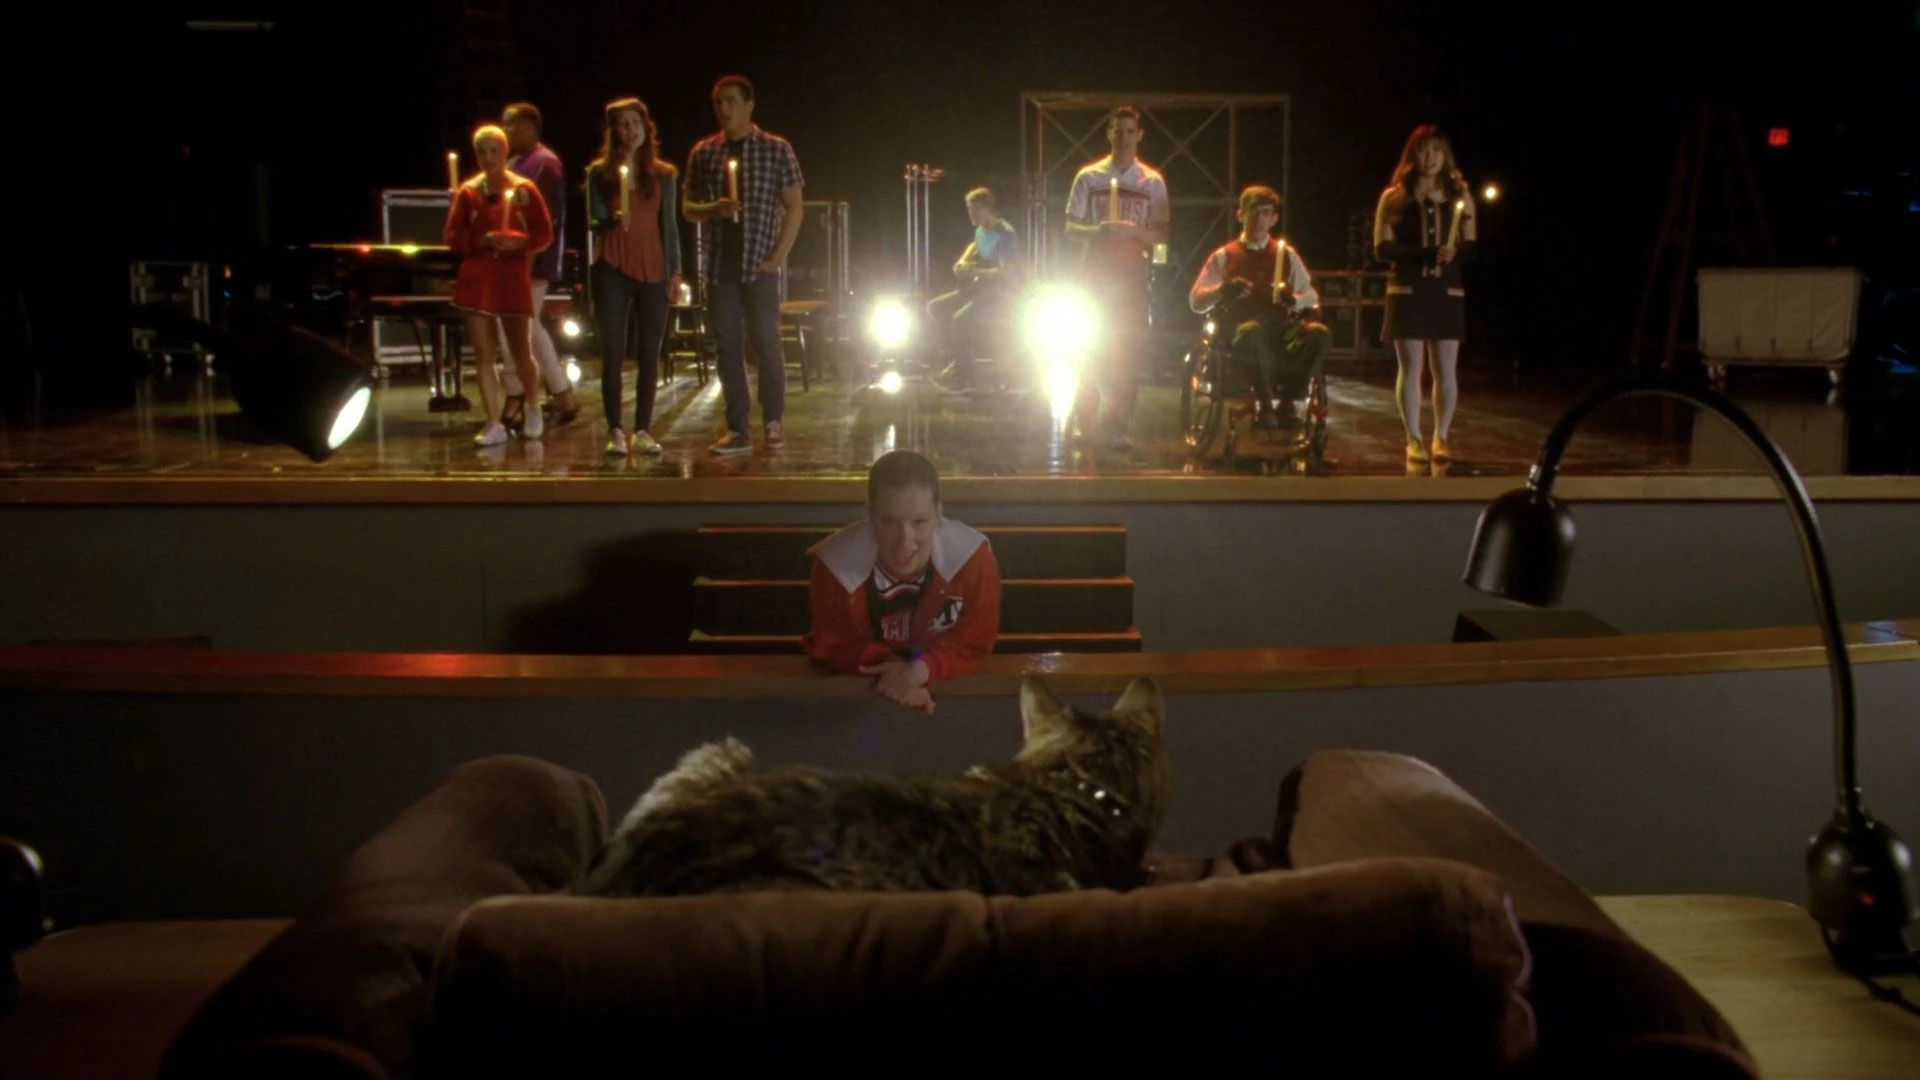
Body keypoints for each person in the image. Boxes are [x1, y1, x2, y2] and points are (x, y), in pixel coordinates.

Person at [805, 450, 1001, 713]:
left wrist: (923, 669)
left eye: (919, 522)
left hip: (951, 704)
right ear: (871, 515)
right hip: (854, 710)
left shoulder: (973, 561)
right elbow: (832, 643)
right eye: (889, 522)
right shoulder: (834, 567)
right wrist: (898, 673)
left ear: (938, 514)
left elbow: (976, 639)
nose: (905, 541)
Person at [682, 75, 804, 456]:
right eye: (719, 103)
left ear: (749, 104)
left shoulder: (775, 149)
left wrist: (778, 257)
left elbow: (795, 207)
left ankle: (773, 420)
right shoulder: (705, 152)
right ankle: (737, 427)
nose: (725, 109)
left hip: (759, 265)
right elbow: (688, 208)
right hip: (720, 267)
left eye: (731, 101)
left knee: (766, 342)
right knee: (727, 347)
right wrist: (713, 208)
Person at [443, 124, 553, 447]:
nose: (488, 158)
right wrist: (480, 240)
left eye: (494, 151)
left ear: (505, 152)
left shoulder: (524, 190)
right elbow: (452, 235)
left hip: (511, 276)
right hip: (478, 277)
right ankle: (493, 421)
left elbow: (543, 233)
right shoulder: (469, 192)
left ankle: (532, 404)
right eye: (482, 152)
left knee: (520, 350)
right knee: (483, 351)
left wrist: (519, 242)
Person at [583, 97, 683, 457]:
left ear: (646, 127)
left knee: (649, 352)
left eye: (636, 123)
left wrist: (675, 270)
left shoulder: (664, 174)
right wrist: (611, 218)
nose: (631, 130)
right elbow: (593, 220)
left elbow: (669, 225)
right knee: (613, 349)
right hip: (613, 265)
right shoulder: (600, 173)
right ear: (614, 131)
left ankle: (643, 428)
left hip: (653, 267)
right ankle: (615, 429)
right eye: (623, 124)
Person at [1064, 105, 1168, 450]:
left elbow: (1161, 236)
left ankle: (1117, 426)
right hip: (1093, 277)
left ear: (1139, 136)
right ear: (1108, 134)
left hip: (1131, 280)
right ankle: (1084, 422)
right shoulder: (1088, 176)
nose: (1123, 138)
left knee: (1125, 354)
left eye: (1130, 132)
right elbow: (1070, 228)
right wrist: (1098, 231)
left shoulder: (1152, 181)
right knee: (1088, 350)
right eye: (1118, 131)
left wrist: (1134, 232)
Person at [1374, 124, 1477, 464]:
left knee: (1445, 368)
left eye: (1436, 150)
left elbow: (1471, 245)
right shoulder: (1393, 198)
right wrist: (1423, 254)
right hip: (1407, 289)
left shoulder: (1460, 195)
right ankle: (1413, 438)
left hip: (1446, 290)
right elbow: (1383, 248)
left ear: (1445, 155)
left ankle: (1441, 436)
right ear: (1412, 155)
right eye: (1423, 150)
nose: (1430, 158)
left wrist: (1454, 254)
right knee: (1411, 366)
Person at [1187, 185, 1330, 429]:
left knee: (1319, 334)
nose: (1259, 219)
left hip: (1279, 330)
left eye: (1266, 213)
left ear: (1274, 219)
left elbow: (1311, 294)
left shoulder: (1286, 255)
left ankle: (1287, 403)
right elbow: (1196, 301)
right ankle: (1265, 407)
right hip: (1241, 333)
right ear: (1241, 215)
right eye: (1254, 212)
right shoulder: (1224, 256)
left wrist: (1294, 300)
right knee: (1251, 331)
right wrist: (1222, 289)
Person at [498, 102, 579, 432]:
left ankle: (517, 392)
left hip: (534, 259)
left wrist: (527, 249)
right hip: (509, 259)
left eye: (511, 125)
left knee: (519, 327)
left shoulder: (546, 164)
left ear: (530, 127)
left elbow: (546, 218)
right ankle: (560, 392)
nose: (506, 131)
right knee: (525, 328)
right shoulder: (512, 163)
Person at [925, 187, 1022, 391]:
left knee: (959, 321)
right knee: (936, 308)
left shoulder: (1005, 234)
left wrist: (974, 271)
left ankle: (963, 377)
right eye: (969, 209)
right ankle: (959, 360)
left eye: (973, 209)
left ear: (986, 208)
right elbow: (975, 246)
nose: (970, 214)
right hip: (981, 289)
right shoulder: (981, 230)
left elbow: (1006, 273)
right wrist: (962, 262)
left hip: (1001, 293)